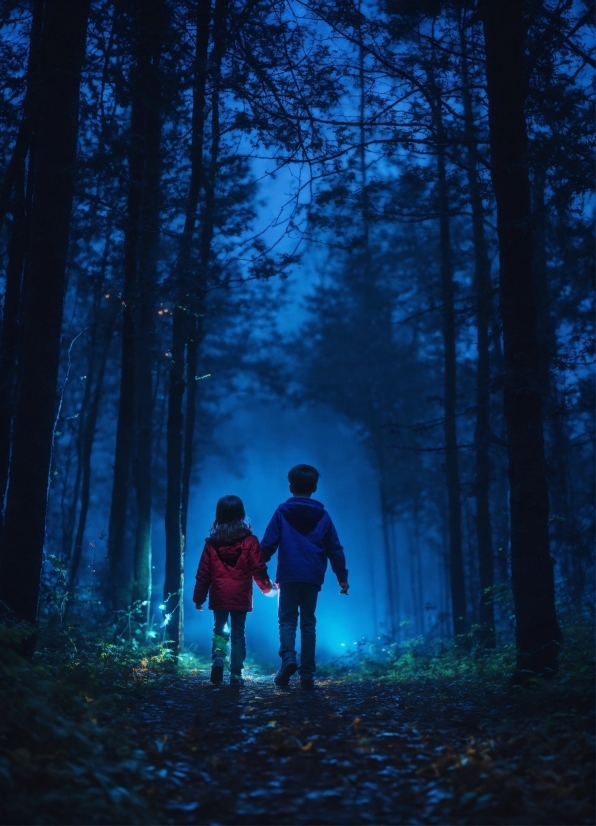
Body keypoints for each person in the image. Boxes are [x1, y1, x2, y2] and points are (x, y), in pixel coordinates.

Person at [260, 464, 349, 689]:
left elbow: (269, 543)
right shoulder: (324, 516)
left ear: (290, 487)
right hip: (312, 576)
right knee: (308, 623)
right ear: (315, 487)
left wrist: (257, 564)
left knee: (288, 619)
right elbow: (335, 548)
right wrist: (342, 576)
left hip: (288, 575)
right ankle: (307, 673)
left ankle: (288, 659)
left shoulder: (282, 512)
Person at [193, 495, 272, 686]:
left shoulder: (211, 543)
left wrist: (198, 598)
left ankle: (218, 661)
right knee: (238, 632)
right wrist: (267, 589)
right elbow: (258, 568)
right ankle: (236, 674)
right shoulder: (250, 541)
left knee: (219, 630)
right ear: (241, 514)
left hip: (219, 593)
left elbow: (203, 573)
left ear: (219, 515)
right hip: (240, 595)